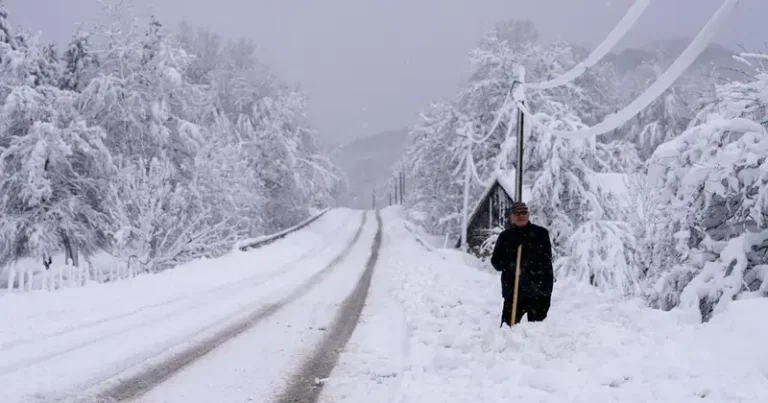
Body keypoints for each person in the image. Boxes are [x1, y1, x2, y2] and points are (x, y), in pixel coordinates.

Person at [490, 201, 554, 327]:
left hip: (538, 290)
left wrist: (527, 266)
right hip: (513, 291)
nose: (521, 216)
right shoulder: (505, 237)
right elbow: (496, 262)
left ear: (528, 214)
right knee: (507, 329)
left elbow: (545, 259)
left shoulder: (540, 234)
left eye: (524, 212)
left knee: (536, 331)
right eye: (517, 213)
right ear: (512, 217)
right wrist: (510, 265)